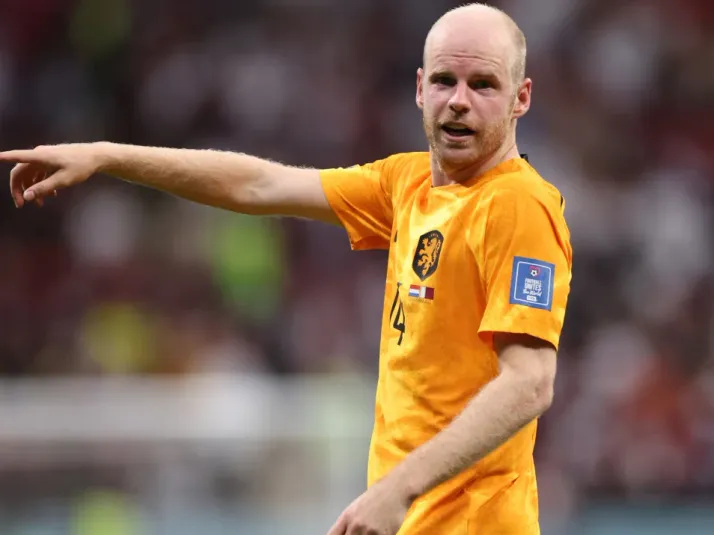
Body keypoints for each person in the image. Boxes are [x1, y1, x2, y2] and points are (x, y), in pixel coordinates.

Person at [2, 3, 572, 534]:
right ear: (420, 88)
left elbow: (529, 383)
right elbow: (258, 184)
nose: (459, 101)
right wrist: (107, 156)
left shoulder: (519, 206)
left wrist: (398, 489)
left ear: (521, 98)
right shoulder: (408, 185)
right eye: (446, 80)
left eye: (483, 85)